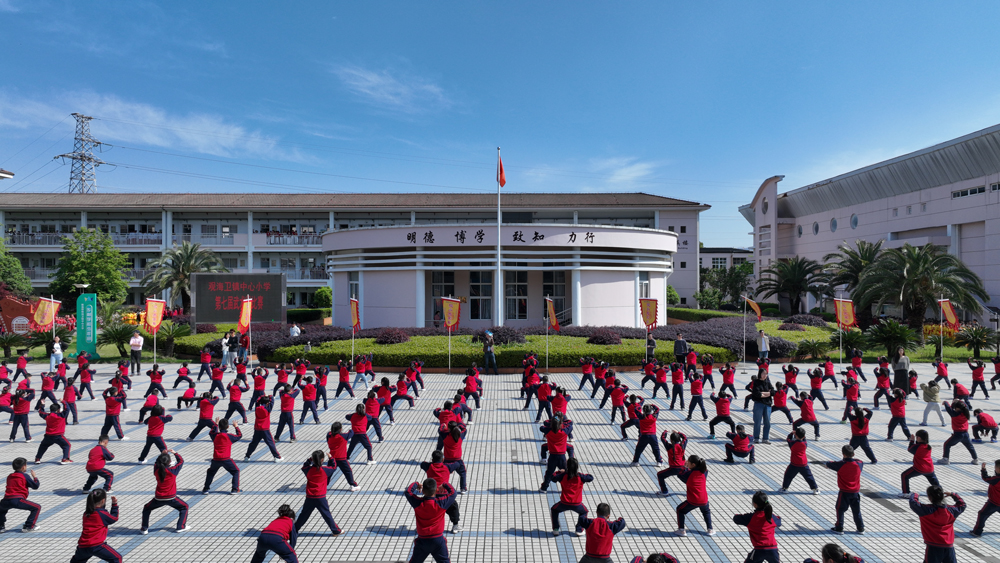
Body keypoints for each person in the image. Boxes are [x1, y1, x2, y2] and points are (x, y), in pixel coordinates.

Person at [404, 479, 458, 563]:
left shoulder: (417, 503)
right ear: (436, 490)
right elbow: (453, 493)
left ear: (422, 491)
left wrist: (416, 484)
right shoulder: (441, 503)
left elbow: (408, 492)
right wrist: (444, 484)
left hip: (422, 541)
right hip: (438, 540)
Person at [908, 486, 965, 563]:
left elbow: (913, 503)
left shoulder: (926, 510)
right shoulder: (951, 511)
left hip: (933, 546)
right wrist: (953, 495)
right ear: (942, 496)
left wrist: (915, 495)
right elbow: (962, 504)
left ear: (929, 497)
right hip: (948, 546)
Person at [140, 450, 189, 534]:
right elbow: (181, 461)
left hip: (158, 498)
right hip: (172, 497)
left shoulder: (156, 470)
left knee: (147, 508)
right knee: (184, 507)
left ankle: (144, 528)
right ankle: (180, 526)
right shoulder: (173, 471)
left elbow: (156, 463)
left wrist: (162, 454)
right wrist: (175, 453)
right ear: (169, 462)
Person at [295, 450, 342, 535]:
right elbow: (334, 466)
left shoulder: (308, 470)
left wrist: (309, 459)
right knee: (326, 514)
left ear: (313, 459)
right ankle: (335, 530)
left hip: (310, 496)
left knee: (304, 514)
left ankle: (295, 529)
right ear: (322, 460)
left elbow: (304, 466)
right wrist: (331, 458)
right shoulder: (325, 470)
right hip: (320, 497)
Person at [70, 490, 121, 563]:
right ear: (103, 501)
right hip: (97, 546)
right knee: (117, 558)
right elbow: (114, 518)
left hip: (83, 546)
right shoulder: (101, 514)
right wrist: (114, 504)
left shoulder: (86, 513)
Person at [823, 445, 864, 534]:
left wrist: (829, 465)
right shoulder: (859, 463)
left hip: (844, 492)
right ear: (853, 454)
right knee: (856, 511)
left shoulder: (840, 464)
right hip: (855, 492)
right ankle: (860, 528)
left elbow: (828, 463)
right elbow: (858, 460)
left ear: (843, 454)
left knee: (840, 509)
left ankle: (839, 527)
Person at [732, 491, 781, 563]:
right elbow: (779, 521)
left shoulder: (751, 518)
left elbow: (736, 519)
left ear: (755, 504)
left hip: (759, 549)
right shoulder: (771, 517)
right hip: (773, 549)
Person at [550, 457, 593, 536]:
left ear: (567, 466)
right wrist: (580, 473)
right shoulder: (580, 476)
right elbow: (590, 477)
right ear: (577, 467)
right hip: (577, 504)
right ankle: (579, 529)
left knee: (554, 510)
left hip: (564, 503)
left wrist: (559, 472)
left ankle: (556, 529)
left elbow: (553, 477)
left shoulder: (562, 475)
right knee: (584, 512)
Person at [675, 455, 714, 536]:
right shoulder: (704, 472)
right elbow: (704, 470)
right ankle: (710, 529)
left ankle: (681, 530)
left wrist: (684, 467)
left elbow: (679, 474)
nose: (687, 463)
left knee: (680, 510)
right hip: (704, 499)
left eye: (688, 462)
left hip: (693, 500)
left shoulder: (688, 474)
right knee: (706, 511)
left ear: (693, 464)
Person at [0, 457, 40, 532]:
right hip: (17, 500)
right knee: (37, 507)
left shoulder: (10, 476)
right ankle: (29, 526)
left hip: (6, 500)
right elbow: (35, 486)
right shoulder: (25, 476)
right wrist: (35, 477)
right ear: (24, 467)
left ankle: (1, 527)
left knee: (1, 510)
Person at [204, 418, 242, 494]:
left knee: (211, 472)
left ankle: (206, 489)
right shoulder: (229, 436)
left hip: (216, 459)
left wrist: (216, 424)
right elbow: (239, 435)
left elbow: (211, 432)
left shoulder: (215, 436)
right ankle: (234, 489)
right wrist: (236, 427)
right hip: (226, 459)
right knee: (235, 471)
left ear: (219, 427)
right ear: (228, 427)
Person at [244, 395, 283, 462]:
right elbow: (272, 402)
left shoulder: (257, 408)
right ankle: (277, 457)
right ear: (267, 403)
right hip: (265, 429)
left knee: (253, 443)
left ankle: (247, 456)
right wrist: (270, 396)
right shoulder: (267, 409)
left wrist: (262, 396)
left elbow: (257, 401)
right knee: (271, 443)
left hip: (257, 429)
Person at [901, 430, 939, 497]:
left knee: (904, 475)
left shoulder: (917, 446)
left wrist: (912, 441)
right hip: (930, 468)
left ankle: (906, 493)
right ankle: (940, 492)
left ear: (919, 438)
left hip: (919, 468)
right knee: (934, 483)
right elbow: (917, 447)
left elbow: (910, 449)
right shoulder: (928, 446)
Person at [939, 400, 979, 465]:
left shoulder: (954, 414)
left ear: (958, 408)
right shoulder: (966, 412)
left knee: (947, 444)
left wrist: (946, 402)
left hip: (957, 434)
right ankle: (975, 459)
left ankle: (945, 459)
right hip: (966, 434)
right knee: (970, 446)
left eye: (955, 407)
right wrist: (959, 401)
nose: (954, 409)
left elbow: (949, 408)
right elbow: (965, 405)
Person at [779, 429, 818, 494]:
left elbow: (788, 439)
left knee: (788, 476)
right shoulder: (804, 443)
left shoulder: (793, 444)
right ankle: (815, 488)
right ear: (803, 436)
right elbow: (804, 439)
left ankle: (785, 488)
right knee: (809, 476)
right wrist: (802, 436)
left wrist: (791, 434)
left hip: (794, 464)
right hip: (804, 464)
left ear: (795, 435)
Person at [34, 399, 72, 464]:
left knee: (43, 446)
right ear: (58, 410)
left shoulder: (47, 416)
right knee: (66, 445)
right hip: (58, 436)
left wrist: (42, 405)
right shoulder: (61, 415)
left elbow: (41, 412)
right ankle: (65, 459)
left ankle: (38, 458)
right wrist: (64, 401)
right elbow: (67, 409)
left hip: (48, 436)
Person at [327, 422, 360, 492]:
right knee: (348, 471)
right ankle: (353, 485)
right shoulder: (343, 436)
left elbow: (329, 433)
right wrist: (351, 429)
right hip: (341, 458)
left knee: (328, 472)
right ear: (340, 429)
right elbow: (351, 433)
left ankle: (323, 485)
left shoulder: (329, 435)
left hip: (332, 458)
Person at [972, 459, 1000, 537]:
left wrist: (983, 469)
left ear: (998, 469)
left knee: (982, 514)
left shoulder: (996, 479)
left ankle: (977, 532)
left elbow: (986, 478)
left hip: (993, 503)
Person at [657, 430, 687, 495]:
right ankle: (692, 491)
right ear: (679, 439)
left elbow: (663, 439)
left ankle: (664, 491)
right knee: (687, 479)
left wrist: (665, 432)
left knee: (660, 475)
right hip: (683, 468)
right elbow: (685, 438)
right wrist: (678, 432)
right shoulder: (682, 445)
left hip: (673, 469)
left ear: (671, 440)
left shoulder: (669, 446)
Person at [750, 368, 774, 444]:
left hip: (768, 404)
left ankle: (765, 438)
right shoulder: (756, 382)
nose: (765, 375)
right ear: (760, 374)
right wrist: (768, 393)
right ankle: (756, 438)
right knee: (757, 421)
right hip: (758, 404)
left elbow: (773, 392)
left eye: (766, 374)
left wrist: (764, 394)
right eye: (763, 373)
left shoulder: (768, 382)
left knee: (767, 422)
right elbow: (757, 394)